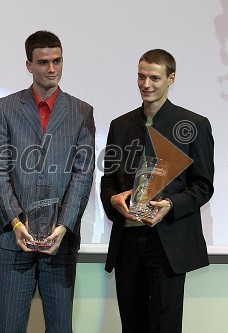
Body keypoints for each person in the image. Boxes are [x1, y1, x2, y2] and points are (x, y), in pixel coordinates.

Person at [0, 30, 95, 333]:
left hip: (59, 241)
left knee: (61, 328)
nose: (52, 69)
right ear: (28, 65)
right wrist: (17, 223)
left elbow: (82, 175)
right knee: (10, 327)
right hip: (13, 238)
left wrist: (63, 226)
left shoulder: (81, 111)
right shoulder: (6, 107)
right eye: (44, 62)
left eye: (57, 61)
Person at [100, 49, 214, 333]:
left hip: (168, 243)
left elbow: (203, 186)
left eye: (154, 77)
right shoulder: (120, 125)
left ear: (170, 79)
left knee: (166, 325)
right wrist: (113, 199)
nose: (146, 84)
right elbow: (108, 182)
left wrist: (170, 205)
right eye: (141, 76)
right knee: (132, 324)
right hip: (128, 242)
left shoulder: (194, 125)